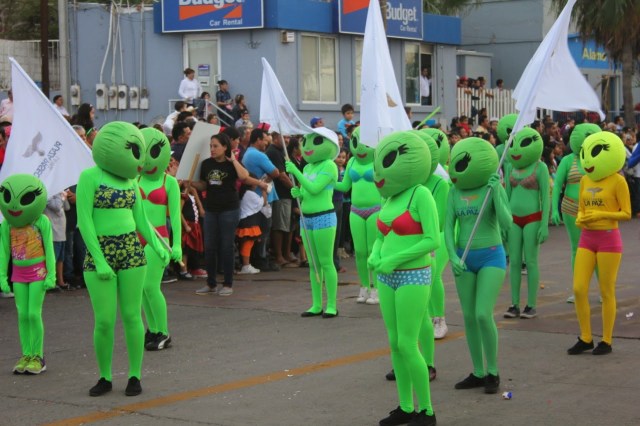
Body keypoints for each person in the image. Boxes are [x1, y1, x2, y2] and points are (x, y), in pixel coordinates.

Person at [76, 122, 170, 397]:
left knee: (132, 315)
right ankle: (104, 376)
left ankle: (134, 375)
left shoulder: (131, 181)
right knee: (104, 320)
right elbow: (84, 221)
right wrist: (99, 259)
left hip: (131, 250)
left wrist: (158, 246)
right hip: (100, 252)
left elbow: (141, 220)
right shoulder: (89, 177)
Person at [370, 131, 439, 426]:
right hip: (387, 278)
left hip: (413, 276)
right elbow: (380, 237)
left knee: (409, 344)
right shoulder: (389, 198)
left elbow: (432, 240)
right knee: (395, 342)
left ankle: (427, 411)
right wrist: (375, 255)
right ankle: (405, 406)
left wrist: (394, 260)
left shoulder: (420, 193)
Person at [446, 137, 512, 395]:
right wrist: (452, 256)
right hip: (463, 258)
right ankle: (477, 371)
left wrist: (496, 192)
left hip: (491, 256)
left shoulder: (491, 186)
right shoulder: (454, 192)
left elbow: (507, 223)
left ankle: (493, 371)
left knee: (483, 313)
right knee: (469, 316)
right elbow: (447, 228)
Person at [568, 132, 630, 356]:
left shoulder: (618, 181)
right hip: (587, 237)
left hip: (608, 239)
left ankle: (606, 340)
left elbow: (626, 213)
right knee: (578, 288)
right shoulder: (585, 180)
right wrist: (580, 218)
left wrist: (601, 214)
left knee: (606, 291)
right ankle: (585, 337)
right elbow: (582, 208)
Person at [191, 133, 267, 297]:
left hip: (229, 209)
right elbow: (204, 185)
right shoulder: (206, 164)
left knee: (226, 245)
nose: (212, 149)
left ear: (225, 147)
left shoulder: (233, 164)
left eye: (216, 146)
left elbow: (244, 176)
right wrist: (191, 183)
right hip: (211, 209)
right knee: (210, 246)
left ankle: (227, 283)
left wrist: (233, 159)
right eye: (211, 146)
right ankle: (211, 283)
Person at [0, 174, 56, 374]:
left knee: (33, 313)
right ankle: (26, 354)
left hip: (38, 272)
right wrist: (2, 276)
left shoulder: (41, 221)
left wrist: (51, 274)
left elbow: (49, 248)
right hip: (18, 274)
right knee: (22, 315)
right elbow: (4, 251)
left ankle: (38, 356)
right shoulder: (7, 224)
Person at [285, 129, 340, 318]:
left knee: (326, 262)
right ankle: (316, 304)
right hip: (306, 218)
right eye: (305, 141)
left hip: (324, 217)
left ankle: (331, 305)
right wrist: (298, 193)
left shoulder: (330, 165)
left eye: (315, 142)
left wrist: (295, 172)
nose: (307, 147)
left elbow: (316, 189)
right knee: (313, 265)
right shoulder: (308, 168)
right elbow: (306, 192)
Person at [137, 128, 183, 351]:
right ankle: (153, 328)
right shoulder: (134, 179)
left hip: (159, 240)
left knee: (150, 286)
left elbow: (175, 217)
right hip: (136, 237)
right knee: (141, 289)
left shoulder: (169, 182)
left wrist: (177, 244)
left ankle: (163, 331)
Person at [551, 124, 602, 303]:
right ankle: (579, 290)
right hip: (571, 209)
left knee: (598, 250)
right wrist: (554, 209)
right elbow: (557, 184)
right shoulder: (568, 160)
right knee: (577, 250)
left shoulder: (600, 159)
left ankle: (604, 290)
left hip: (595, 210)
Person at [503, 128, 550, 319]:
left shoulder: (540, 167)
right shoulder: (510, 167)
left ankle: (531, 305)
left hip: (533, 218)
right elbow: (506, 196)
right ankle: (514, 304)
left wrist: (544, 224)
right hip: (513, 219)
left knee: (530, 261)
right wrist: (503, 222)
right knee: (514, 261)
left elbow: (545, 197)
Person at [334, 127, 380, 304]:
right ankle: (364, 286)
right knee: (360, 251)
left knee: (372, 250)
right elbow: (345, 186)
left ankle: (376, 287)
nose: (360, 148)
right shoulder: (352, 162)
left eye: (366, 143)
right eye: (356, 142)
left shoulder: (378, 160)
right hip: (355, 211)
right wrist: (328, 182)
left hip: (376, 209)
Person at [266, 131, 296, 267]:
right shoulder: (273, 152)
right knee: (279, 226)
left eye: (288, 137)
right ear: (275, 137)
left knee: (289, 225)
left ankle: (286, 254)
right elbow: (282, 176)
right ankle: (279, 256)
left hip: (288, 194)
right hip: (280, 194)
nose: (287, 140)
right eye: (284, 137)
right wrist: (295, 189)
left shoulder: (283, 151)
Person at [236, 175, 267, 274]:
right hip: (249, 222)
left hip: (243, 221)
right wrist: (264, 190)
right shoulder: (250, 194)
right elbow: (263, 203)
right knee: (248, 244)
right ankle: (246, 265)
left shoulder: (243, 193)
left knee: (245, 244)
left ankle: (245, 264)